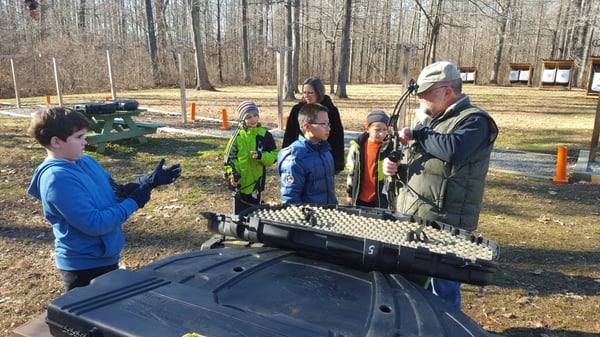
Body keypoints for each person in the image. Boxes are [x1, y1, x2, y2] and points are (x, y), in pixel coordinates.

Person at [383, 61, 498, 310]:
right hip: (415, 218)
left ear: (446, 91)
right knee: (411, 288)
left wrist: (419, 132)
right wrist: (394, 168)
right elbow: (424, 164)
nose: (420, 98)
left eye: (426, 92)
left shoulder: (475, 121)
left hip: (447, 224)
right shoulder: (432, 120)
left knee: (442, 292)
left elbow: (453, 150)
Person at [27, 107, 181, 291]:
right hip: (83, 267)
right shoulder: (57, 179)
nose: (85, 141)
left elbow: (112, 192)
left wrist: (144, 184)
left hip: (106, 256)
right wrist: (134, 201)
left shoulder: (86, 161)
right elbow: (95, 224)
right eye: (79, 137)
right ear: (56, 141)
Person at [223, 101, 278, 214]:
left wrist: (261, 156)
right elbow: (229, 158)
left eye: (255, 115)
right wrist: (233, 175)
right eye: (248, 117)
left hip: (255, 184)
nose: (253, 119)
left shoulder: (265, 135)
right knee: (239, 213)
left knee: (254, 212)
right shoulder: (237, 136)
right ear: (242, 119)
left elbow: (274, 155)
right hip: (240, 183)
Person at [278, 103, 338, 205]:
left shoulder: (325, 151)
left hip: (328, 214)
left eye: (328, 124)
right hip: (307, 217)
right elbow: (291, 198)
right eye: (323, 124)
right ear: (307, 127)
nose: (328, 128)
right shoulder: (295, 158)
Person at [282, 76, 345, 174]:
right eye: (304, 92)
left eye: (310, 92)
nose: (306, 96)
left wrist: (337, 163)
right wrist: (286, 156)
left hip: (323, 157)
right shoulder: (297, 110)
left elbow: (337, 137)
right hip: (301, 157)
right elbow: (289, 135)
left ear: (319, 92)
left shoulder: (331, 110)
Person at [345, 109, 392, 208]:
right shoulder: (357, 147)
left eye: (385, 130)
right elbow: (351, 172)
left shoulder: (389, 147)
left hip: (381, 198)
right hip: (360, 197)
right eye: (377, 130)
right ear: (367, 129)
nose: (382, 134)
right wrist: (349, 195)